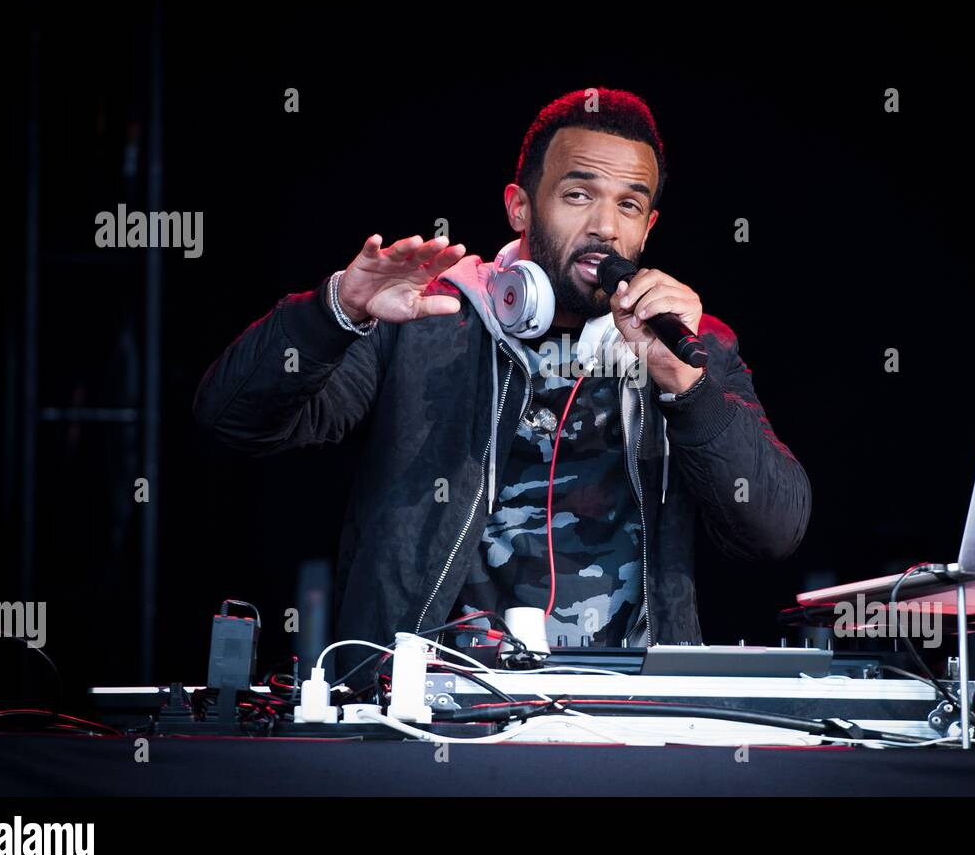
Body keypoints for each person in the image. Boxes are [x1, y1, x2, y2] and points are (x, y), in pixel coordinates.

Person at [192, 88, 810, 676]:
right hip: (436, 706)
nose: (605, 226)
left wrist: (687, 387)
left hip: (629, 706)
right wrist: (334, 312)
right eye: (577, 194)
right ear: (519, 206)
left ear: (648, 227)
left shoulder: (691, 344)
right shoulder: (424, 325)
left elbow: (775, 531)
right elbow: (231, 422)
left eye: (629, 204)